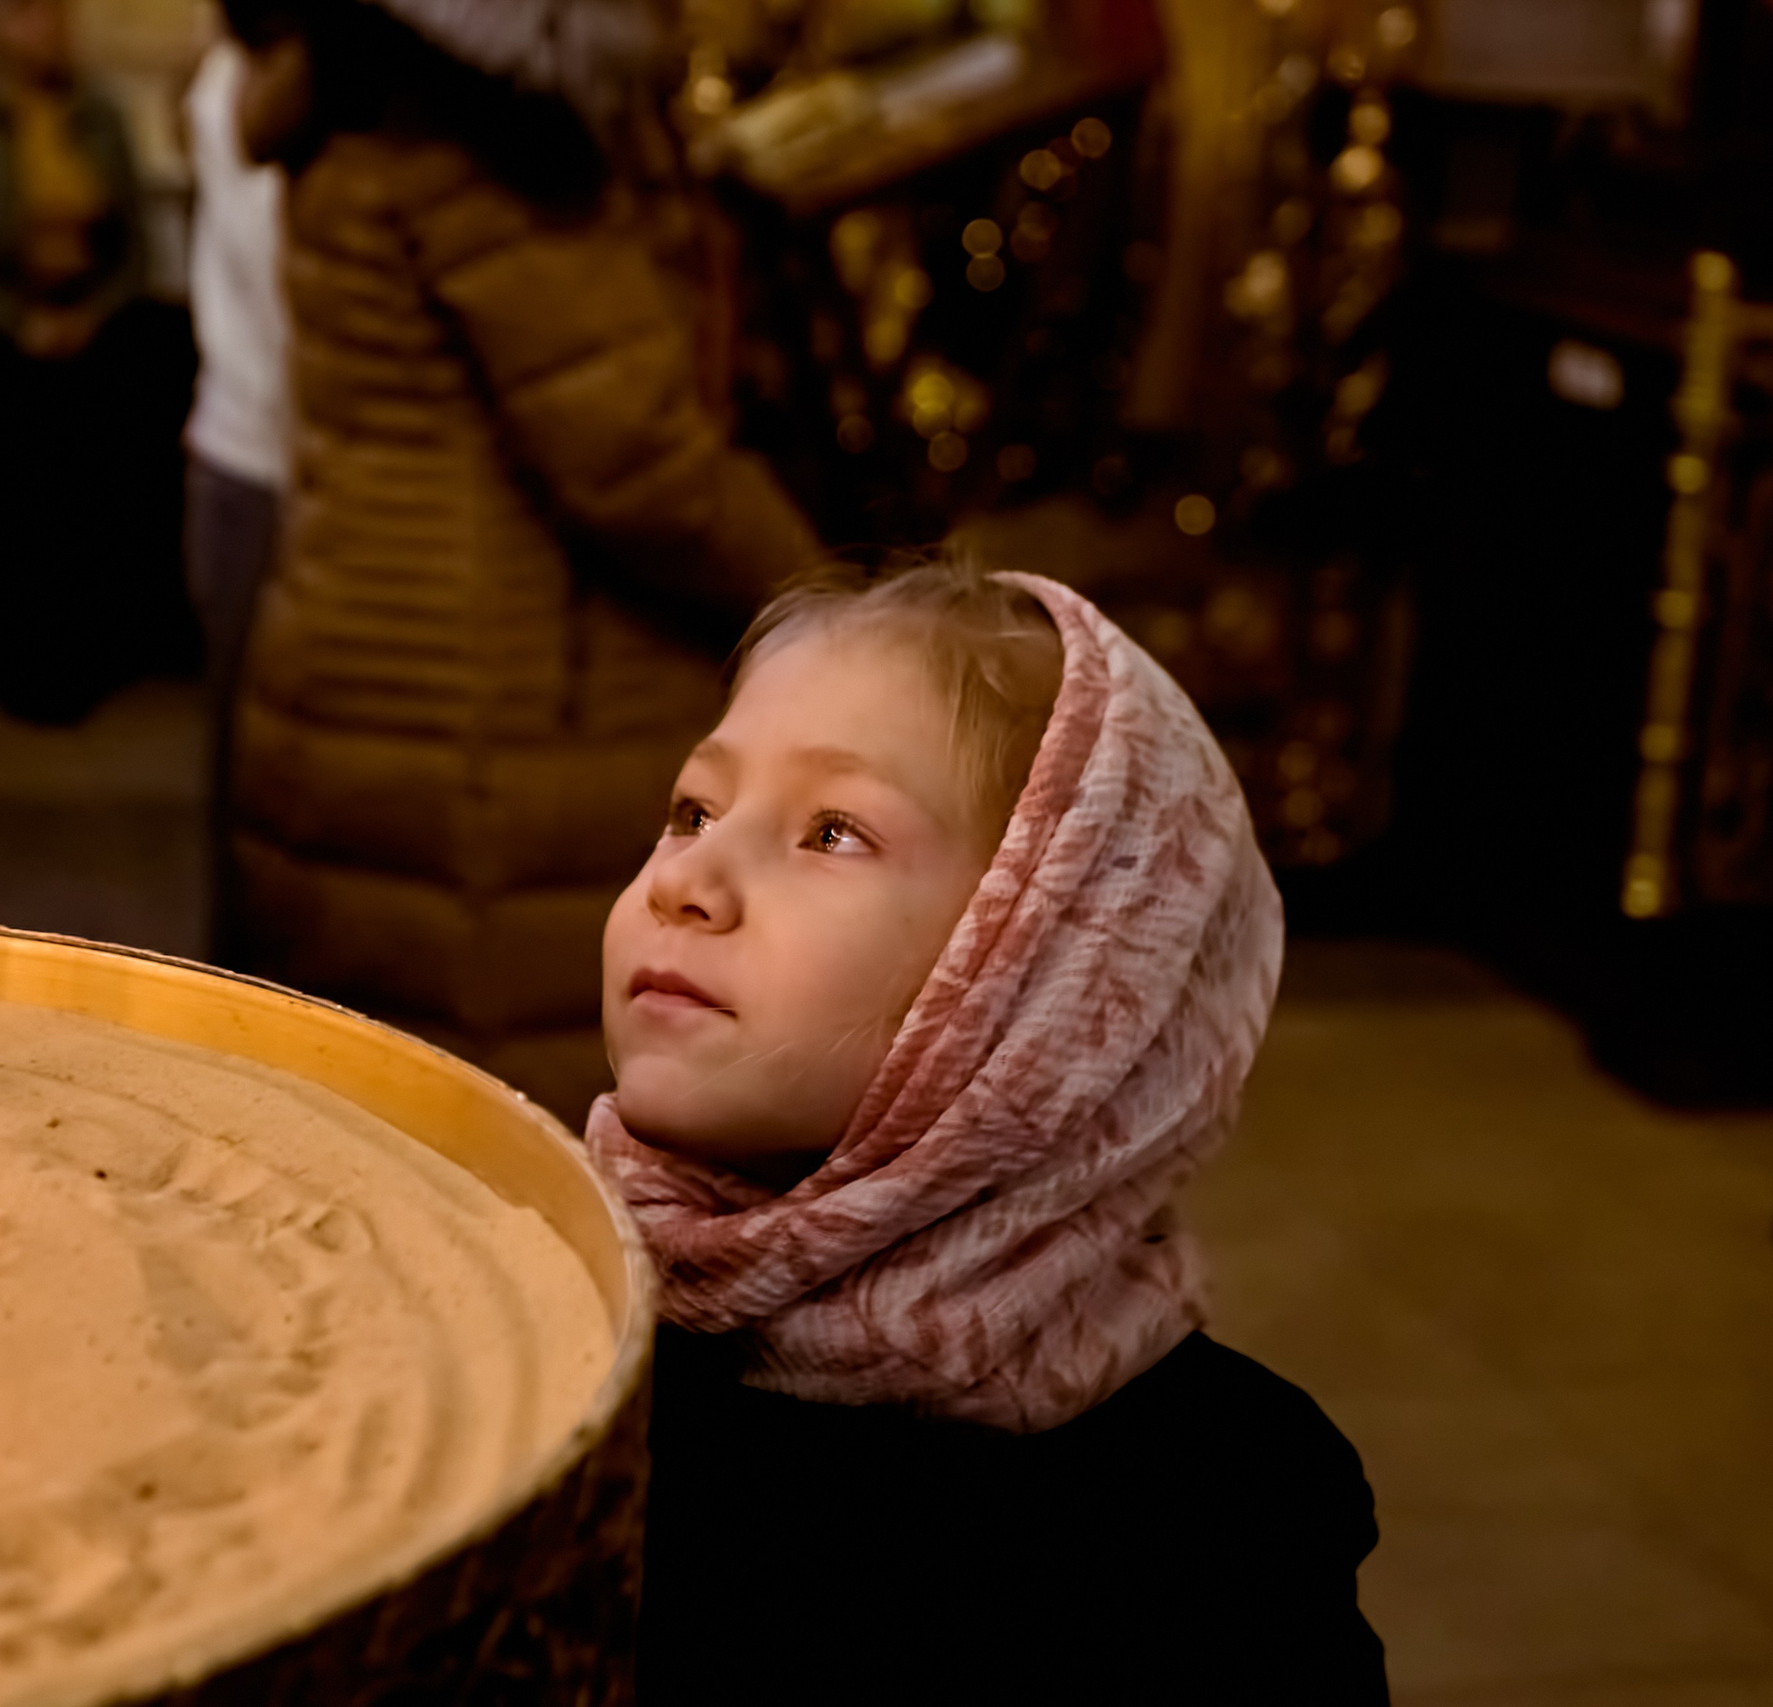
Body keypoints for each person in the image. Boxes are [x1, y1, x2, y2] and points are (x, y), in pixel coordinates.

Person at [593, 554, 1388, 1703]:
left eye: (831, 833)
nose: (689, 879)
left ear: (1044, 978)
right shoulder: (557, 1330)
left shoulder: (1207, 1528)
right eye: (693, 808)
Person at [219, 0, 820, 1114]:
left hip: (375, 676)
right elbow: (640, 464)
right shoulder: (490, 134)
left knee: (384, 1123)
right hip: (505, 718)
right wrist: (836, 607)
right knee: (503, 1141)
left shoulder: (369, 87)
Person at [0, 0, 198, 724]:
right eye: (26, 13)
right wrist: (17, 320)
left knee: (153, 378)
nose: (47, 29)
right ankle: (27, 649)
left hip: (84, 314)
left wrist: (91, 315)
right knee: (30, 417)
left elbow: (133, 245)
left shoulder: (97, 110)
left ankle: (136, 626)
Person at [180, 29, 290, 953]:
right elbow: (287, 301)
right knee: (253, 789)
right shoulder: (251, 91)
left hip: (288, 461)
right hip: (264, 462)